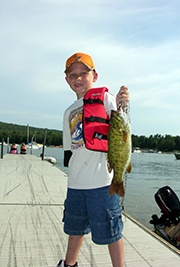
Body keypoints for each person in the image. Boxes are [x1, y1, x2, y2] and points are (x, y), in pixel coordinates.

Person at [57, 52, 129, 267]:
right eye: (72, 74)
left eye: (83, 73)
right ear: (67, 79)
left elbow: (121, 125)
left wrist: (122, 103)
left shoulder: (105, 99)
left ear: (94, 76)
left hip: (103, 182)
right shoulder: (68, 111)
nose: (78, 78)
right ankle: (69, 264)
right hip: (76, 183)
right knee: (74, 229)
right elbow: (70, 150)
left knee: (112, 231)